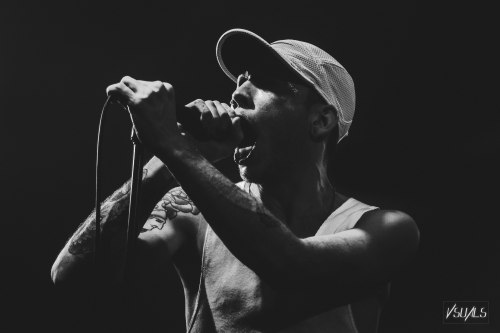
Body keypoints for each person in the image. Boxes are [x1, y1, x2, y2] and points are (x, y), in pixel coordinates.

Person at [51, 28, 419, 332]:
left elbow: (292, 267)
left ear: (321, 120)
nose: (237, 93)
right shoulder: (191, 211)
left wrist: (179, 151)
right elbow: (71, 275)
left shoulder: (385, 228)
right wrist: (169, 156)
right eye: (240, 80)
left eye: (262, 82)